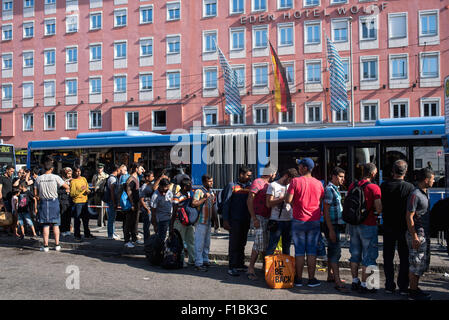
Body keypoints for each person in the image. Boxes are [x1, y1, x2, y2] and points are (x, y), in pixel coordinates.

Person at [285, 158, 324, 288]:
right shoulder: (319, 183)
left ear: (305, 168)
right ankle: (312, 279)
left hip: (298, 220)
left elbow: (288, 199)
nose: (298, 168)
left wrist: (296, 203)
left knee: (299, 251)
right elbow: (321, 199)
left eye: (300, 166)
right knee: (312, 251)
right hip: (314, 220)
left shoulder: (295, 181)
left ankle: (299, 279)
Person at [380, 160, 414, 295]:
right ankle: (403, 286)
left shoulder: (384, 186)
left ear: (392, 171)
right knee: (404, 257)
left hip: (388, 226)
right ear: (405, 172)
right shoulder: (410, 187)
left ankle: (389, 285)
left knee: (388, 257)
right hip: (403, 227)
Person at [347, 163, 382, 294]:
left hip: (353, 224)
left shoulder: (352, 185)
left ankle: (355, 281)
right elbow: (379, 209)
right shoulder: (374, 188)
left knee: (354, 254)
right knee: (369, 255)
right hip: (369, 224)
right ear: (372, 174)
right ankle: (365, 284)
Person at [406, 168, 434, 300]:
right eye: (433, 179)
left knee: (421, 263)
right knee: (416, 264)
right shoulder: (415, 194)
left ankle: (415, 288)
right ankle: (413, 292)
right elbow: (409, 216)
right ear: (426, 180)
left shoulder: (425, 192)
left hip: (424, 234)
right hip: (417, 234)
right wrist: (415, 236)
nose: (434, 181)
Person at [246, 166, 277, 280]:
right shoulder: (257, 182)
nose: (275, 175)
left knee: (265, 244)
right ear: (271, 173)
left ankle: (265, 267)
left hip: (267, 217)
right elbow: (250, 199)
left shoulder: (269, 185)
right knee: (258, 244)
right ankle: (251, 268)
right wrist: (254, 218)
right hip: (259, 217)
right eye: (274, 173)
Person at [222, 166, 253, 276]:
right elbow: (226, 204)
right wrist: (225, 220)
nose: (250, 177)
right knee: (234, 243)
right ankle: (232, 266)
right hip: (234, 220)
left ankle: (240, 264)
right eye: (248, 175)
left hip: (245, 219)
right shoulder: (232, 186)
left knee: (242, 242)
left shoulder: (250, 186)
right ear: (241, 175)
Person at [34, 157, 70, 252]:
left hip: (43, 202)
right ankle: (57, 244)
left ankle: (45, 246)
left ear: (43, 168)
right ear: (52, 168)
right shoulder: (56, 177)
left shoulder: (38, 179)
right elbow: (66, 186)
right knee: (55, 224)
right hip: (54, 202)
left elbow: (35, 193)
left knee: (45, 225)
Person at [323, 167, 348, 292]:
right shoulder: (329, 190)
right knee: (335, 252)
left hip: (335, 225)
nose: (343, 179)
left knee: (332, 251)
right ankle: (337, 281)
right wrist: (331, 229)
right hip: (332, 225)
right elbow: (326, 211)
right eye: (340, 176)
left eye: (343, 176)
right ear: (333, 176)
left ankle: (330, 275)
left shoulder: (335, 189)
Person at [265, 168, 298, 256]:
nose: (290, 183)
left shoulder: (290, 186)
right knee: (272, 245)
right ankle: (268, 268)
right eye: (290, 180)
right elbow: (268, 203)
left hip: (288, 220)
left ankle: (286, 269)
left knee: (287, 247)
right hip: (276, 220)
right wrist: (283, 198)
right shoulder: (273, 185)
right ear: (286, 176)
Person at [192, 175, 216, 272]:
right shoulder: (199, 191)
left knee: (207, 243)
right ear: (204, 182)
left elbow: (213, 207)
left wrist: (216, 221)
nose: (211, 183)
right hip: (201, 221)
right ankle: (198, 263)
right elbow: (194, 203)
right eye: (209, 181)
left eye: (212, 181)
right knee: (199, 243)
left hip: (208, 221)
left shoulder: (211, 192)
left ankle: (205, 260)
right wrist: (204, 198)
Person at [171, 177, 196, 267]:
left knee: (191, 241)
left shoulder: (189, 195)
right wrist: (171, 226)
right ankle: (181, 261)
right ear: (185, 186)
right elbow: (174, 212)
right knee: (180, 243)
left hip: (188, 223)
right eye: (190, 185)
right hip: (179, 222)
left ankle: (192, 260)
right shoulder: (177, 196)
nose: (191, 186)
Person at [70, 165, 95, 242]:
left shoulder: (83, 179)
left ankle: (87, 234)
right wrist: (81, 190)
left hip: (85, 201)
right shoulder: (73, 181)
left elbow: (87, 188)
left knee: (86, 219)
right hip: (77, 202)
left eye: (79, 171)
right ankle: (77, 235)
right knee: (77, 220)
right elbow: (72, 194)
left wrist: (88, 191)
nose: (78, 172)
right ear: (74, 172)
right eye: (77, 171)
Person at [123, 163, 144, 248]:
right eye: (141, 169)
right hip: (131, 204)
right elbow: (129, 191)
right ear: (136, 169)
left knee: (135, 222)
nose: (142, 170)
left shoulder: (136, 178)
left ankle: (134, 239)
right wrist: (132, 203)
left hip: (136, 203)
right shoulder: (131, 179)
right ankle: (127, 240)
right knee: (128, 222)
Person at [104, 164, 120, 240]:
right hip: (111, 200)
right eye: (119, 170)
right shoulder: (112, 179)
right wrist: (114, 202)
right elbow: (112, 192)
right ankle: (110, 234)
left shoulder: (112, 178)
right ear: (116, 170)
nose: (120, 171)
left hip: (112, 200)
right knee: (111, 218)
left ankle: (112, 232)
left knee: (113, 217)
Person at [139, 171, 155, 243]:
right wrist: (147, 209)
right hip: (147, 209)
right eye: (152, 176)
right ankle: (146, 241)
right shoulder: (144, 187)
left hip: (151, 208)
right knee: (146, 226)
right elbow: (141, 200)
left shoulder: (151, 185)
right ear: (147, 178)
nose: (153, 177)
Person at [0, 165, 16, 236]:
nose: (12, 173)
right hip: (4, 199)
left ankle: (8, 229)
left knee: (9, 214)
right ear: (7, 170)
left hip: (10, 199)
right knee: (4, 215)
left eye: (13, 171)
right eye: (11, 171)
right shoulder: (1, 178)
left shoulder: (10, 178)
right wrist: (1, 200)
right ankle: (6, 229)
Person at [59, 167, 73, 237]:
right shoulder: (60, 180)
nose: (70, 175)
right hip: (62, 200)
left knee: (69, 216)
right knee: (63, 216)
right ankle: (62, 230)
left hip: (69, 200)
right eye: (68, 174)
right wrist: (65, 191)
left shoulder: (71, 180)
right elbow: (57, 191)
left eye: (70, 174)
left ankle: (68, 230)